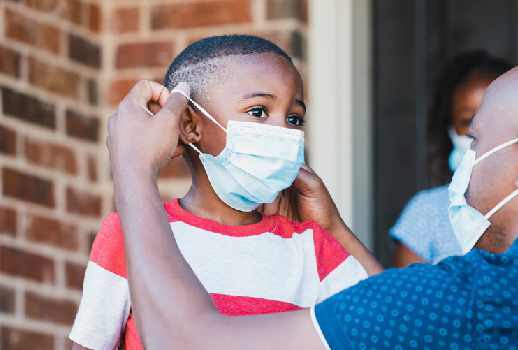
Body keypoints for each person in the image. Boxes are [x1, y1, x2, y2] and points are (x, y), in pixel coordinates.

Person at [104, 54, 518, 349]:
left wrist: (134, 167)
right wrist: (343, 237)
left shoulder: (473, 297)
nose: (466, 166)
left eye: (476, 142)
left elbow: (188, 340)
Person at [69, 35, 381, 350]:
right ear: (190, 125)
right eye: (258, 111)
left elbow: (389, 324)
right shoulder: (130, 233)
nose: (284, 131)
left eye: (294, 118)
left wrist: (334, 228)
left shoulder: (312, 247)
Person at [392, 51, 512, 266]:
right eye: (468, 121)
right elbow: (405, 295)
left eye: (494, 116)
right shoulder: (426, 212)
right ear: (449, 129)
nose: (479, 131)